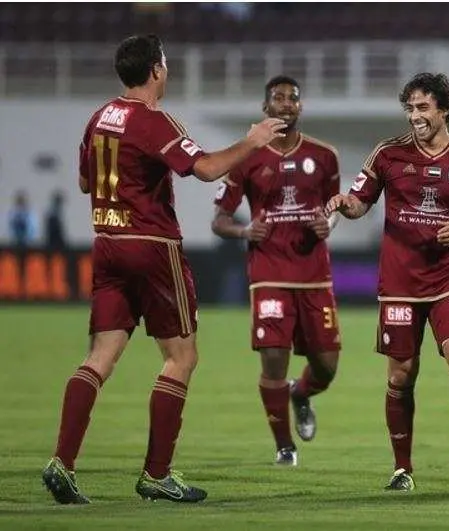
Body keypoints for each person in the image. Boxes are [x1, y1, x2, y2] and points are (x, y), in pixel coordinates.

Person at [41, 34, 286, 505]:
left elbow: (83, 181)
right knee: (181, 358)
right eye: (166, 65)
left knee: (100, 357)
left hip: (107, 243)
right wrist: (252, 141)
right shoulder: (152, 121)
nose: (167, 72)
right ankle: (156, 474)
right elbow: (209, 169)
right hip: (150, 246)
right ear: (156, 70)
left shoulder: (99, 118)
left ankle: (62, 462)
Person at [325, 72, 449, 493]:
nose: (414, 116)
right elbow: (360, 203)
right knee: (401, 375)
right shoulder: (388, 153)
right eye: (410, 108)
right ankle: (402, 468)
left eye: (423, 108)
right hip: (400, 281)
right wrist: (345, 204)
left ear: (445, 110)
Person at [212, 75, 342, 467]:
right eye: (279, 98)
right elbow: (219, 221)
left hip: (314, 274)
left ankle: (300, 394)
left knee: (327, 366)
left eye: (293, 99)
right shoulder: (246, 157)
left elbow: (334, 208)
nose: (286, 104)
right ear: (265, 108)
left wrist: (329, 224)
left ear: (300, 107)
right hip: (268, 274)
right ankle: (284, 446)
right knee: (273, 359)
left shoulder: (324, 156)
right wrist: (245, 230)